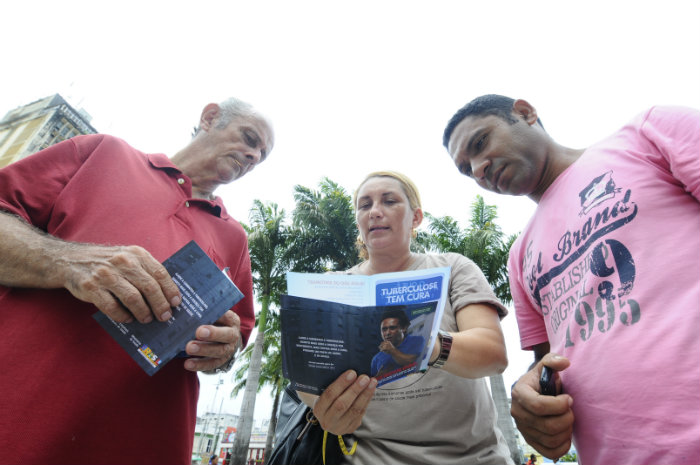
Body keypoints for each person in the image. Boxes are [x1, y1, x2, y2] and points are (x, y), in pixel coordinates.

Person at [0, 97, 274, 463]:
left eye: (262, 154)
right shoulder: (104, 153)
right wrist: (67, 261)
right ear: (210, 118)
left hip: (147, 442)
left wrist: (222, 351)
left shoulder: (235, 238)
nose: (254, 155)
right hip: (23, 417)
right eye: (249, 138)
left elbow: (236, 334)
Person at [442, 94, 700, 464]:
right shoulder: (521, 255)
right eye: (467, 169)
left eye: (480, 143)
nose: (479, 168)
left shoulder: (647, 135)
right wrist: (528, 395)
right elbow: (550, 363)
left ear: (526, 112)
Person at [298, 171, 514, 464]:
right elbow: (308, 379)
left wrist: (428, 345)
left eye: (389, 201)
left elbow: (493, 353)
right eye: (364, 205)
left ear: (416, 217)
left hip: (472, 458)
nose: (375, 212)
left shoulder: (453, 267)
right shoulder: (333, 285)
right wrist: (330, 412)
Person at [370, 308, 425, 378]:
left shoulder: (417, 340)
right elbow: (373, 382)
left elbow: (414, 362)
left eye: (392, 328)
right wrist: (380, 376)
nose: (387, 333)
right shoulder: (376, 358)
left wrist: (392, 351)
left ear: (404, 328)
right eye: (384, 329)